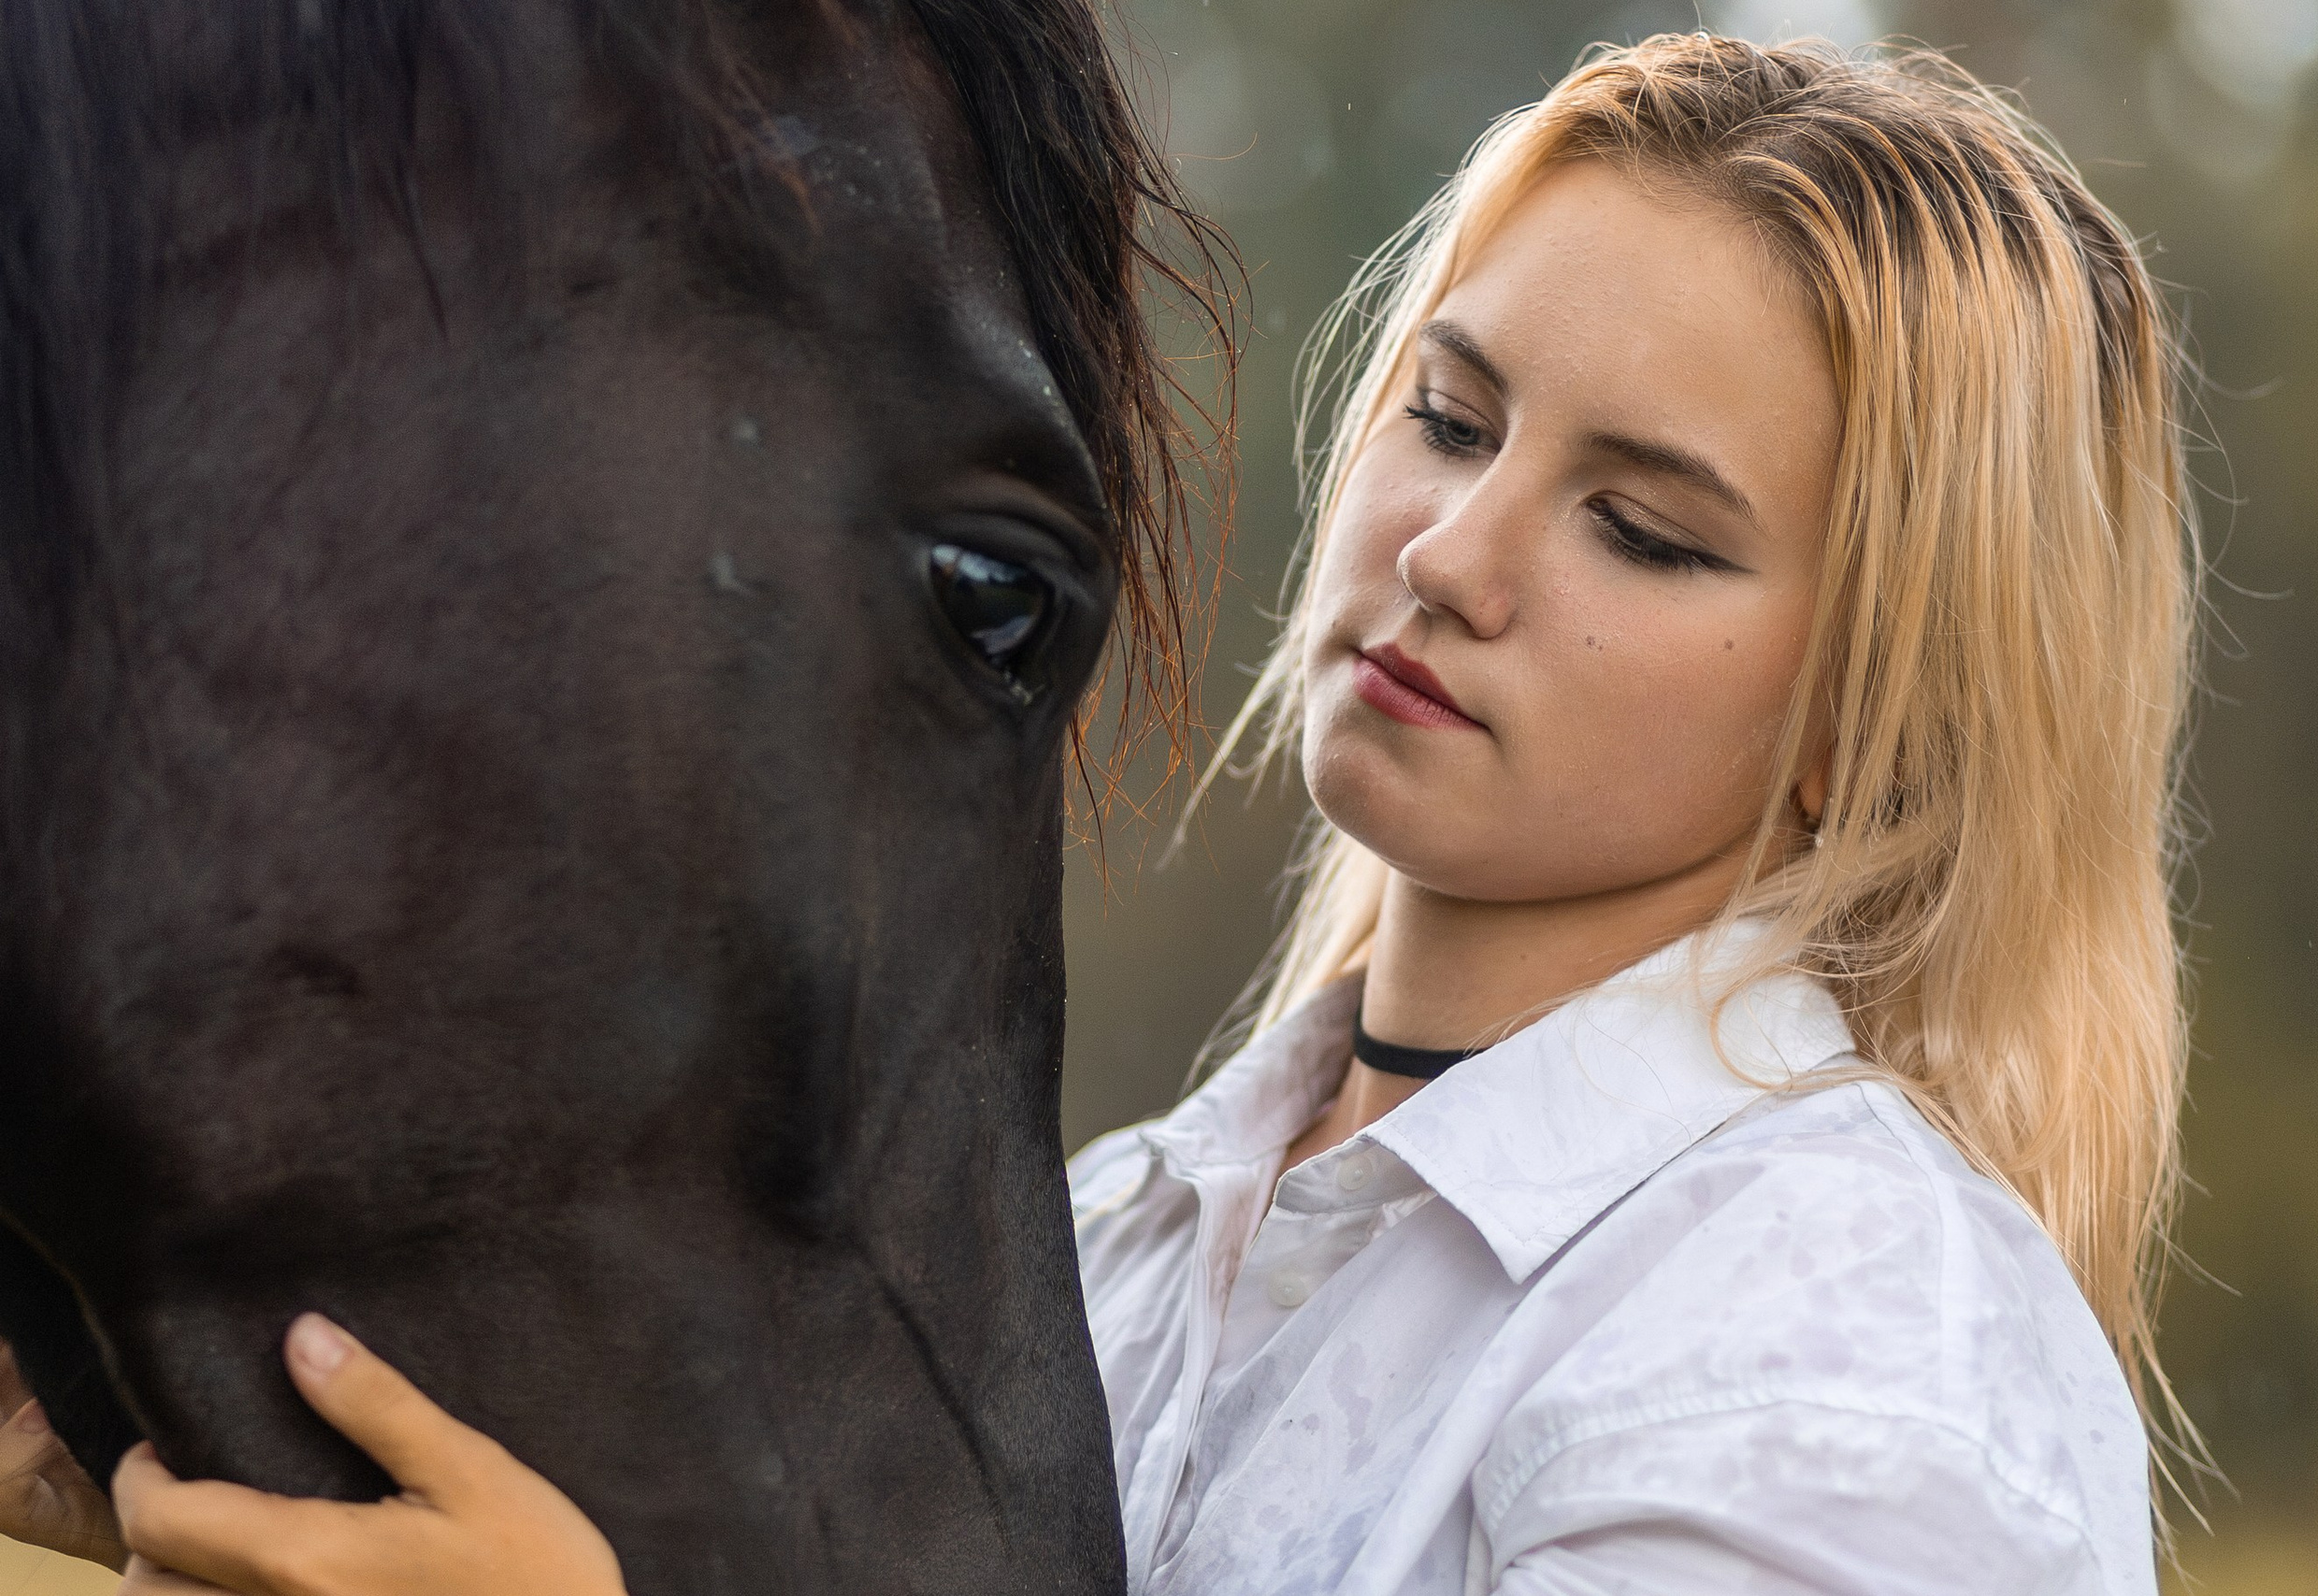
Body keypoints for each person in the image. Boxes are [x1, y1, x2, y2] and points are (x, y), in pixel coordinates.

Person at [0, 32, 2200, 1594]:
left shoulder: (1844, 1347)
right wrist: (217, 1464)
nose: (1450, 548)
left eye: (1643, 529)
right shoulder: (1139, 1231)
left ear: (1864, 720)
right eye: (1449, 412)